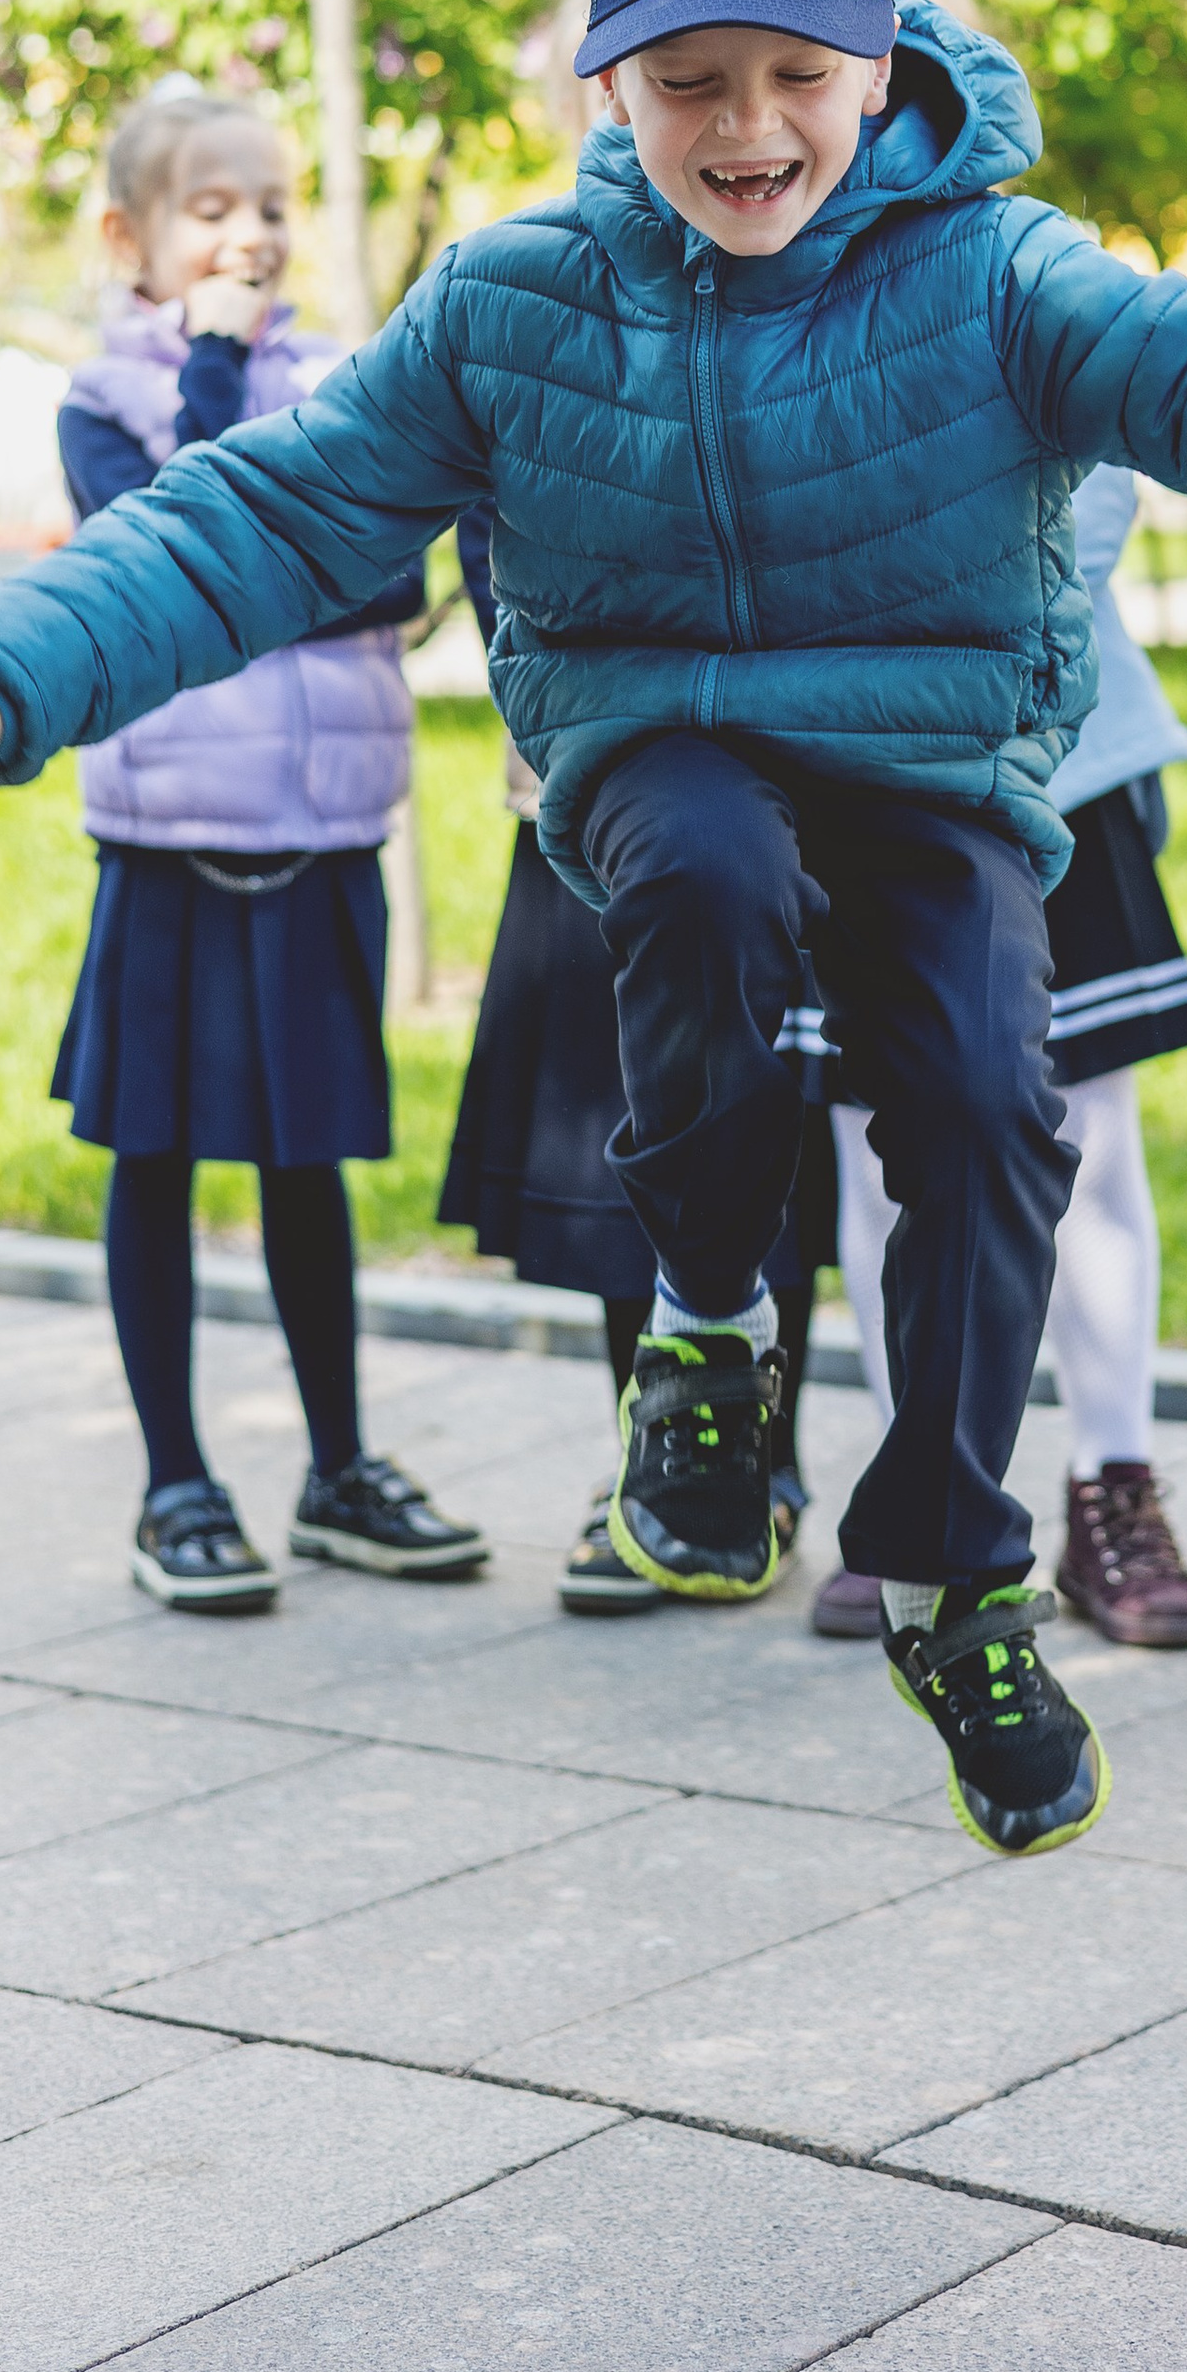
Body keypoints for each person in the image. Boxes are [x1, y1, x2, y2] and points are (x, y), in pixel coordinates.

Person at [0, 0, 1187, 1860]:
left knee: (997, 1110)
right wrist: (12, 668)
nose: (746, 127)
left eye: (794, 80)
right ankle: (710, 1342)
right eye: (686, 84)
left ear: (880, 62)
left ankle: (948, 1569)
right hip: (650, 748)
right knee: (708, 872)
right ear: (609, 83)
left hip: (929, 771)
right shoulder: (516, 303)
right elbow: (270, 510)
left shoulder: (995, 271)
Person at [34, 80, 485, 1616]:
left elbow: (376, 575)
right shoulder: (104, 405)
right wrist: (215, 370)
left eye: (274, 207)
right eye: (212, 209)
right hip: (168, 837)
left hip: (320, 833)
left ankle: (340, 1467)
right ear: (131, 238)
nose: (253, 234)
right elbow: (193, 555)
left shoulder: (346, 382)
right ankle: (175, 1478)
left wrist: (288, 573)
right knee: (150, 1154)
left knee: (310, 1162)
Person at [822, 451, 1187, 1649]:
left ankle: (1114, 1489)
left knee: (1086, 1148)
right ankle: (918, 1509)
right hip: (834, 764)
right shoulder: (753, 263)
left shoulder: (1022, 258)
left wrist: (924, 639)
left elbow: (1087, 490)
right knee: (872, 1159)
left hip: (1047, 753)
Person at [436, 496, 834, 1614]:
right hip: (592, 784)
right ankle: (653, 1467)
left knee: (768, 1127)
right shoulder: (518, 330)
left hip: (763, 799)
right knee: (627, 1142)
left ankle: (769, 1471)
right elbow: (489, 535)